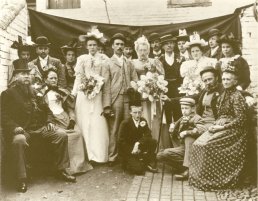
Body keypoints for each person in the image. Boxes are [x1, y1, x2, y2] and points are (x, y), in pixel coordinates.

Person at [1, 64, 75, 193]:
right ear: (15, 77)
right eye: (22, 74)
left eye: (28, 74)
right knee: (19, 140)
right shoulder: (8, 93)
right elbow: (2, 114)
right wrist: (14, 127)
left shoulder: (35, 92)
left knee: (61, 134)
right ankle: (21, 178)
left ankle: (61, 170)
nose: (26, 76)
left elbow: (47, 110)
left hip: (40, 128)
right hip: (22, 129)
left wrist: (49, 121)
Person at [189, 64, 249, 191]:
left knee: (207, 145)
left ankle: (214, 180)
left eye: (229, 79)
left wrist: (221, 127)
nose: (226, 82)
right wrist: (216, 125)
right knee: (197, 144)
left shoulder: (237, 96)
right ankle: (201, 178)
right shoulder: (223, 94)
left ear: (235, 81)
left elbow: (241, 120)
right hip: (221, 125)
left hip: (235, 131)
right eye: (224, 79)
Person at [40, 69, 93, 174]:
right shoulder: (40, 94)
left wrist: (72, 120)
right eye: (51, 78)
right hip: (52, 119)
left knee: (78, 134)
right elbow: (42, 111)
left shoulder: (62, 91)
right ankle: (66, 168)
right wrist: (48, 121)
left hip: (65, 118)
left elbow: (70, 108)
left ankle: (79, 166)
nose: (54, 80)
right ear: (45, 80)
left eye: (55, 78)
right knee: (64, 136)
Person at [72, 28, 111, 164]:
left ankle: (98, 154)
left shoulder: (104, 60)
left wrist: (97, 85)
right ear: (86, 46)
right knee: (84, 122)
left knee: (96, 123)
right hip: (84, 94)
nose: (92, 47)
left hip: (98, 95)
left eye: (94, 45)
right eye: (90, 45)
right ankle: (86, 154)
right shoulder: (82, 59)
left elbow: (106, 79)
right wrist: (75, 92)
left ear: (98, 46)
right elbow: (79, 77)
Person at [157, 97, 206, 180]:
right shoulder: (182, 118)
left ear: (193, 108)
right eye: (182, 108)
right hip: (183, 148)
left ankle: (188, 170)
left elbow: (201, 130)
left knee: (188, 138)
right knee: (160, 155)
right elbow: (177, 131)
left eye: (186, 108)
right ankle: (186, 168)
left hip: (193, 149)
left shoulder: (197, 118)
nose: (183, 111)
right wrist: (172, 127)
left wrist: (187, 132)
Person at [108, 33, 138, 165]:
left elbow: (135, 79)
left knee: (129, 127)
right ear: (112, 46)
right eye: (117, 44)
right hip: (115, 99)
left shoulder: (129, 62)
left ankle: (127, 155)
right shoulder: (107, 63)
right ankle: (112, 156)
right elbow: (105, 87)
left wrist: (133, 86)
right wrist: (107, 105)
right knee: (114, 128)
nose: (120, 47)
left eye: (122, 44)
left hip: (128, 99)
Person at [131, 35, 166, 146]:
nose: (143, 52)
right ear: (136, 50)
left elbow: (162, 75)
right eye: (140, 50)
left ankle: (158, 144)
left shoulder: (155, 61)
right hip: (141, 95)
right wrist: (136, 86)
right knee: (144, 117)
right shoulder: (133, 62)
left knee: (156, 117)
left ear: (148, 50)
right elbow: (132, 79)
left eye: (145, 50)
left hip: (154, 94)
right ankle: (144, 144)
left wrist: (155, 85)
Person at [118, 89, 157, 175]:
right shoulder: (125, 123)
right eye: (135, 113)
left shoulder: (143, 120)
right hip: (128, 150)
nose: (137, 115)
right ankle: (129, 162)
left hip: (138, 147)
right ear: (130, 112)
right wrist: (132, 150)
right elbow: (121, 141)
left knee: (153, 142)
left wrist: (138, 144)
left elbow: (148, 135)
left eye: (139, 112)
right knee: (139, 171)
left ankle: (146, 161)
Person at [159, 34, 183, 124]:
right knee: (167, 112)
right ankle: (169, 135)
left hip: (178, 88)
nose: (169, 45)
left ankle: (178, 134)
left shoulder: (180, 58)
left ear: (174, 45)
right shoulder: (159, 59)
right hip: (165, 89)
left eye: (171, 43)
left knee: (178, 112)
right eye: (166, 44)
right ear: (163, 46)